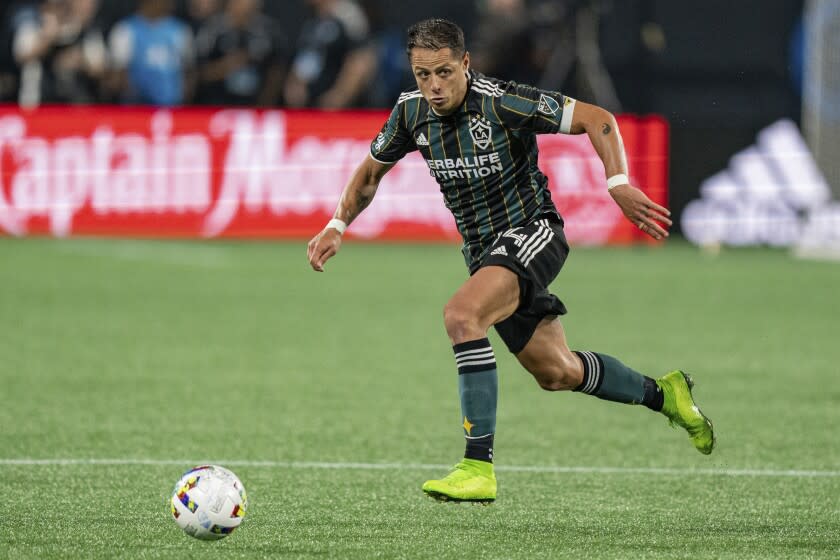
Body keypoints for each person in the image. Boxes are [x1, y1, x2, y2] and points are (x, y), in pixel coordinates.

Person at [306, 18, 715, 503]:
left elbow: (598, 118)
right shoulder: (411, 114)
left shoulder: (502, 102)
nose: (433, 87)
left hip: (534, 232)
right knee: (557, 372)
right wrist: (337, 224)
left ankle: (477, 466)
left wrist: (617, 183)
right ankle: (666, 395)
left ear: (465, 63)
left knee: (462, 315)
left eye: (443, 72)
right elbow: (370, 174)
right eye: (422, 75)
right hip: (485, 256)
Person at [283, 0, 376, 109]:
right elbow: (308, 56)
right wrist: (295, 83)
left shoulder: (347, 14)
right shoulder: (313, 18)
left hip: (341, 111)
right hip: (311, 106)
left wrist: (339, 95)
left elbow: (361, 59)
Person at [12, 0, 107, 106]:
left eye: (61, 6)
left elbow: (100, 69)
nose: (56, 11)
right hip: (36, 103)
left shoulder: (85, 30)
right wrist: (47, 39)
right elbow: (22, 56)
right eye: (52, 7)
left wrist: (79, 61)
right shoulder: (32, 25)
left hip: (75, 104)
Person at [194, 0, 287, 107]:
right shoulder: (212, 29)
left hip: (256, 105)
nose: (245, 6)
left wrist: (266, 102)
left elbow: (277, 70)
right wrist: (226, 66)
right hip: (217, 104)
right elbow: (199, 72)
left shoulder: (268, 30)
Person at [107, 0, 194, 106]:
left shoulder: (180, 30)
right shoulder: (126, 30)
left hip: (173, 107)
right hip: (137, 108)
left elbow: (189, 71)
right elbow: (118, 73)